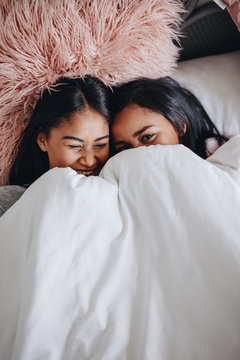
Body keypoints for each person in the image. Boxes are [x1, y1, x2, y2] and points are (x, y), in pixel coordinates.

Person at [0, 75, 111, 216]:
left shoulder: (123, 196)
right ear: (42, 140)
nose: (89, 161)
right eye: (74, 146)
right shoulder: (9, 203)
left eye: (100, 144)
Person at [110, 77, 227, 158]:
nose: (138, 153)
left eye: (147, 137)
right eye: (124, 148)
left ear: (179, 125)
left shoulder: (228, 155)